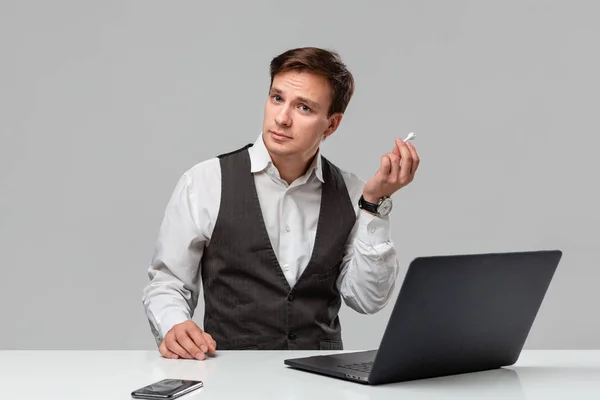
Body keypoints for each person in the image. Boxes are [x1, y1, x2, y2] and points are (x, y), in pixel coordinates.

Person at [142, 47, 420, 361]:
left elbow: (369, 300)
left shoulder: (352, 192)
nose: (282, 118)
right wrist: (175, 325)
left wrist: (373, 205)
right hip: (230, 379)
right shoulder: (205, 182)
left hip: (321, 381)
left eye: (303, 108)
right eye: (277, 98)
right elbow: (168, 283)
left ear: (331, 125)